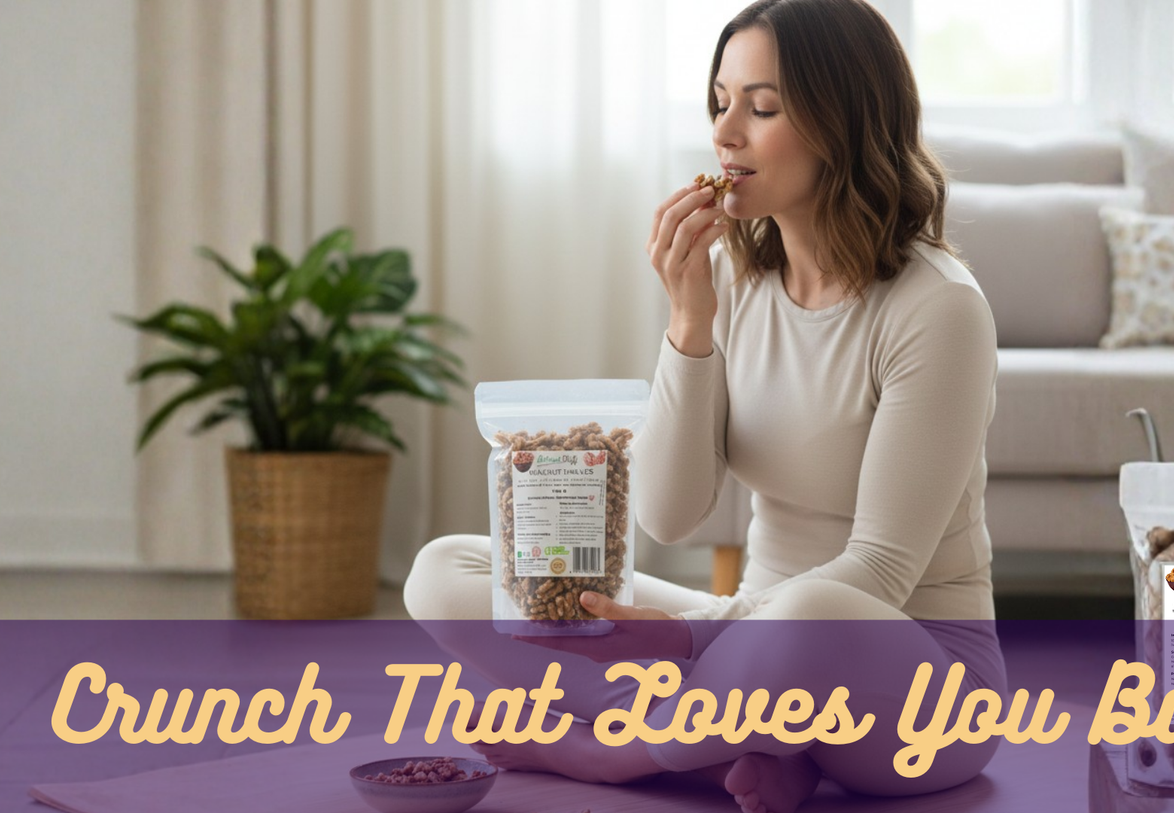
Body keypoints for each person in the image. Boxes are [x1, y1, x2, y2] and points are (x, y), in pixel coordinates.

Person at [402, 1, 1006, 810]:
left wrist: (692, 636)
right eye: (719, 103)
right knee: (448, 569)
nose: (725, 134)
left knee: (809, 614)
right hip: (743, 642)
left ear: (845, 122)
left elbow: (880, 575)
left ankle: (622, 754)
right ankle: (742, 737)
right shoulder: (733, 278)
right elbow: (669, 513)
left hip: (909, 680)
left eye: (761, 108)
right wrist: (688, 323)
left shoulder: (938, 308)